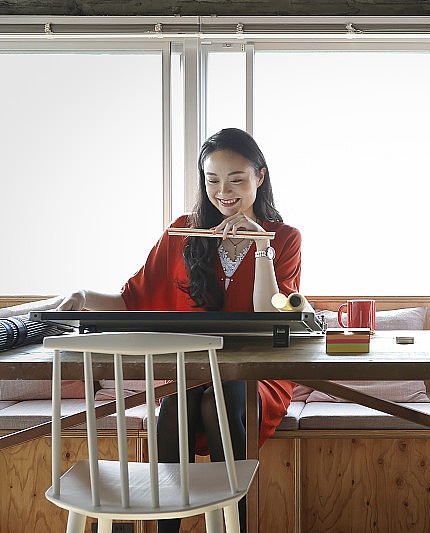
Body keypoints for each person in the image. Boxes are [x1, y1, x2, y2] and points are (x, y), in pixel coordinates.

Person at [57, 127, 301, 533]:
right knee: (174, 404)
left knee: (217, 402)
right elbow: (130, 299)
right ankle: (165, 524)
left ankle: (230, 525)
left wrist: (261, 248)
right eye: (212, 179)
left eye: (237, 178)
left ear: (260, 176)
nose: (223, 191)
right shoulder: (182, 233)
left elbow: (269, 315)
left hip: (257, 374)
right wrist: (83, 294)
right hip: (193, 371)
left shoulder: (285, 238)